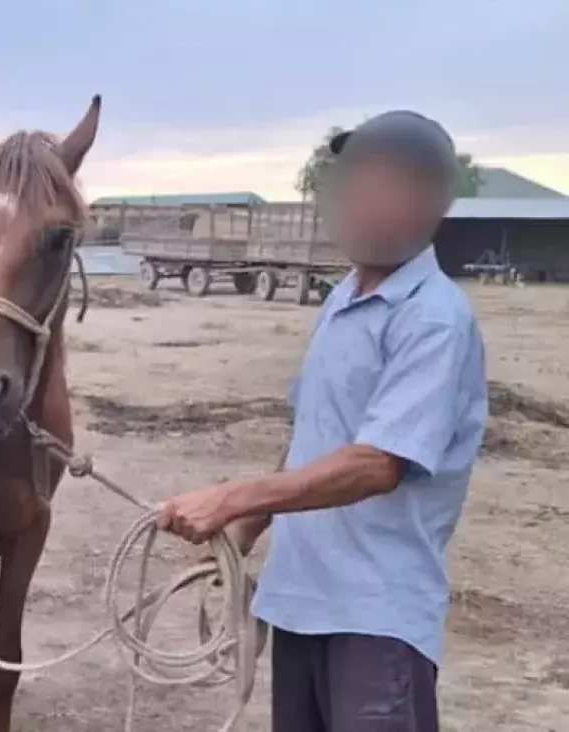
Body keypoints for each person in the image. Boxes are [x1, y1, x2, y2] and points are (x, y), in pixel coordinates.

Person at [157, 110, 488, 732]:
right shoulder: (345, 297)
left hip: (375, 616)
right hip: (302, 603)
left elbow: (377, 463)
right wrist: (251, 524)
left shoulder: (433, 319)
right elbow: (321, 436)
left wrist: (232, 496)